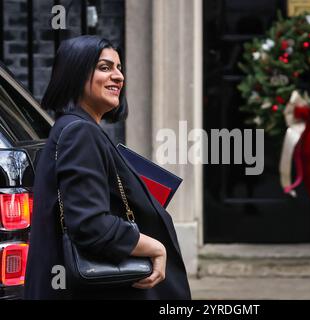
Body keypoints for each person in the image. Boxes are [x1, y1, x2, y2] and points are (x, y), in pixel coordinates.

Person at [24, 35, 191, 300]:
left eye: (119, 68)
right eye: (105, 68)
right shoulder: (80, 133)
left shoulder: (75, 128)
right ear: (76, 74)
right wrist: (155, 247)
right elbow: (91, 224)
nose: (118, 77)